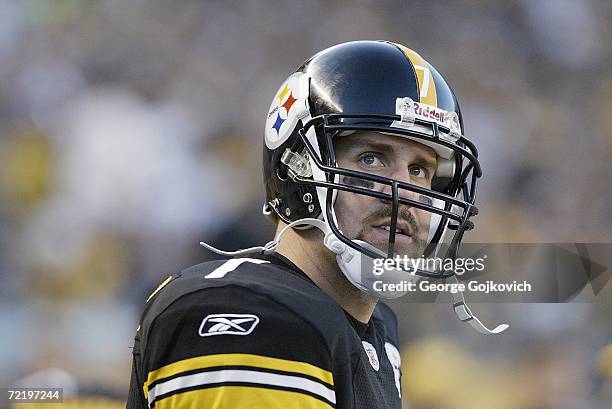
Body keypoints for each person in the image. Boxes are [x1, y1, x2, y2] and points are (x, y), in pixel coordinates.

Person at [126, 40, 499, 409]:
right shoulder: (249, 308)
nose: (403, 192)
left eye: (420, 170)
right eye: (372, 158)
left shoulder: (375, 330)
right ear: (299, 168)